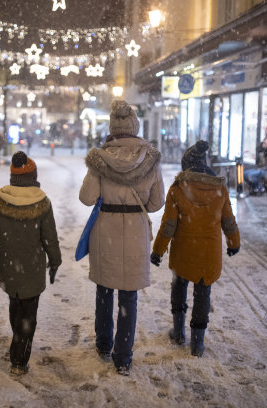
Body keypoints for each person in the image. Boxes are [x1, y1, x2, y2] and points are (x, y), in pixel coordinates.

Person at [79, 100, 165, 376]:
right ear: (135, 126)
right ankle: (123, 357)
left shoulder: (100, 158)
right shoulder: (150, 158)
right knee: (128, 296)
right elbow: (156, 203)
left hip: (106, 232)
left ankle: (104, 344)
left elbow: (86, 197)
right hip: (136, 234)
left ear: (113, 128)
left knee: (105, 290)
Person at [0, 151, 61, 376]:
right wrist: (55, 261)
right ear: (33, 176)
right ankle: (19, 359)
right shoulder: (42, 202)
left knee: (16, 305)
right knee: (29, 313)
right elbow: (49, 237)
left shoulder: (0, 200)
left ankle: (18, 344)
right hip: (33, 269)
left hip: (9, 268)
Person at [150, 140, 240, 357]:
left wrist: (158, 250)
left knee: (179, 285)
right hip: (208, 255)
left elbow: (168, 226)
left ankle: (179, 332)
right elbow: (228, 221)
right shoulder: (220, 190)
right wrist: (234, 243)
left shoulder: (178, 189)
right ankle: (197, 344)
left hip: (183, 251)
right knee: (203, 293)